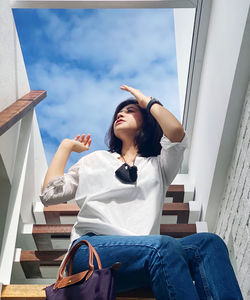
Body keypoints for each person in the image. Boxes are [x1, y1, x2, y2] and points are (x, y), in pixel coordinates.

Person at [40, 85, 243, 300]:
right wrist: (66, 146)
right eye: (119, 112)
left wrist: (148, 102)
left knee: (208, 243)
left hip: (146, 256)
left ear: (147, 120)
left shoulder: (158, 166)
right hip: (92, 252)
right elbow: (49, 195)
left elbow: (176, 133)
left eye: (130, 111)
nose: (120, 114)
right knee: (163, 247)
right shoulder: (94, 160)